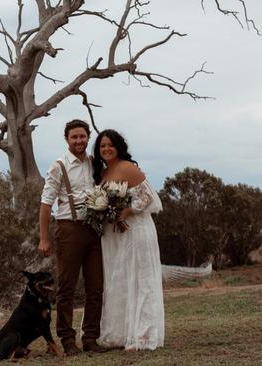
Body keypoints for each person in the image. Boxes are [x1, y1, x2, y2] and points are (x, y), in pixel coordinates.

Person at [38, 119, 107, 355]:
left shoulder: (93, 163)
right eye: (74, 137)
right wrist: (44, 238)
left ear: (88, 138)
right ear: (66, 139)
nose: (79, 141)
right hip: (69, 228)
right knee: (66, 287)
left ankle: (91, 338)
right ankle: (67, 340)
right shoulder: (58, 166)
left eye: (82, 136)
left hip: (94, 230)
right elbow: (46, 204)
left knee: (96, 286)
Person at [92, 129, 165, 350]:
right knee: (120, 281)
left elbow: (149, 196)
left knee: (140, 280)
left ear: (118, 146)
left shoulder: (126, 167)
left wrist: (128, 211)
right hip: (115, 236)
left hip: (136, 231)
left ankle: (143, 335)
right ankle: (122, 334)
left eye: (110, 145)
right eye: (102, 146)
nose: (106, 149)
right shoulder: (103, 173)